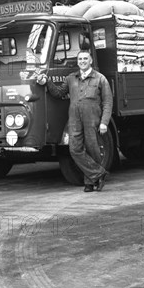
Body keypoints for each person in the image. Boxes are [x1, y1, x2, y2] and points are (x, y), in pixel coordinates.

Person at [36, 50, 113, 192]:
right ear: (77, 62)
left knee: (93, 150)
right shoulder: (71, 78)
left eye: (85, 59)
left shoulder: (100, 78)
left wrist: (104, 122)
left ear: (91, 61)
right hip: (74, 119)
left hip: (93, 119)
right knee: (74, 149)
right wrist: (47, 82)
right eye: (80, 59)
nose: (83, 61)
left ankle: (90, 182)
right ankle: (98, 173)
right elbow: (59, 93)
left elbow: (108, 102)